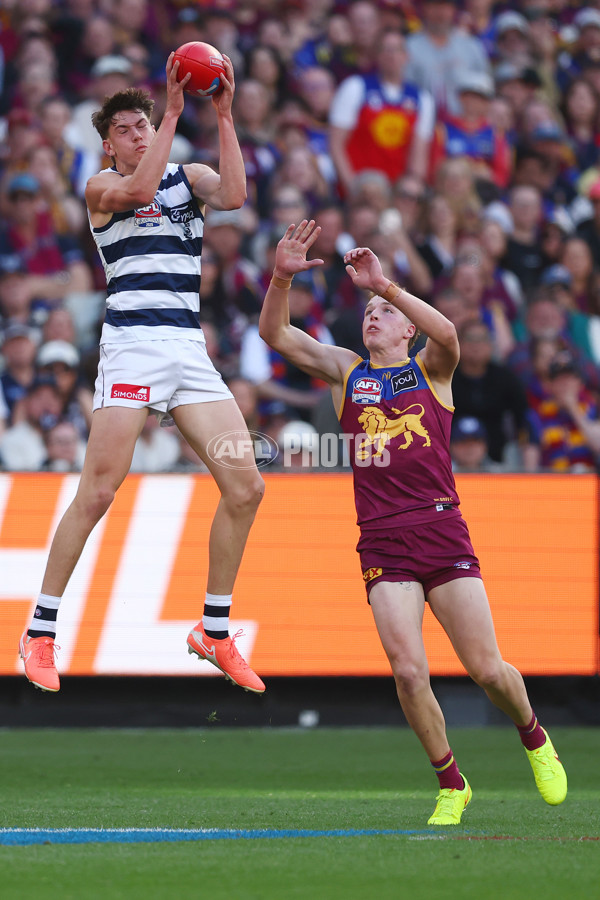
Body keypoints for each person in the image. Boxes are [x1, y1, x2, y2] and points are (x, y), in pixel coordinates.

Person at [258, 219, 566, 825]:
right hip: (383, 539)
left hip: (441, 530)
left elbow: (448, 331)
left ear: (406, 326)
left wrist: (387, 285)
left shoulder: (434, 371)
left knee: (485, 669)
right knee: (407, 669)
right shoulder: (348, 373)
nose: (374, 315)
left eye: (385, 312)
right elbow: (276, 333)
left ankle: (533, 736)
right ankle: (452, 784)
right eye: (369, 310)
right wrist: (280, 278)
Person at [19, 52, 265, 696]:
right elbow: (135, 193)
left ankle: (214, 630)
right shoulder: (101, 186)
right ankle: (40, 631)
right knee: (98, 491)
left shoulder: (190, 175)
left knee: (247, 487)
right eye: (126, 128)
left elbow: (237, 196)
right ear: (108, 142)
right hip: (130, 349)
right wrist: (175, 112)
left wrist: (223, 113)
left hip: (186, 349)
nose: (138, 133)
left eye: (144, 124)